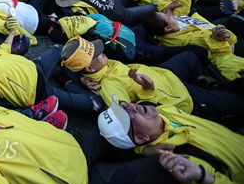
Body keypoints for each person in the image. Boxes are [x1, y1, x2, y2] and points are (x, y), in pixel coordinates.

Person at [60, 36, 244, 120]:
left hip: (165, 73)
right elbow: (126, 113)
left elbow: (62, 58)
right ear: (90, 67)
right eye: (97, 54)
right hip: (178, 97)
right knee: (237, 101)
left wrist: (81, 78)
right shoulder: (108, 85)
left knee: (189, 56)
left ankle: (205, 84)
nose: (103, 52)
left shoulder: (98, 67)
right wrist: (148, 89)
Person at [98, 95, 244, 184]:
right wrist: (204, 177)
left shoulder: (162, 111)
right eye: (127, 114)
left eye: (123, 106)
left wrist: (141, 149)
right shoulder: (181, 159)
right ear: (142, 138)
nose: (132, 106)